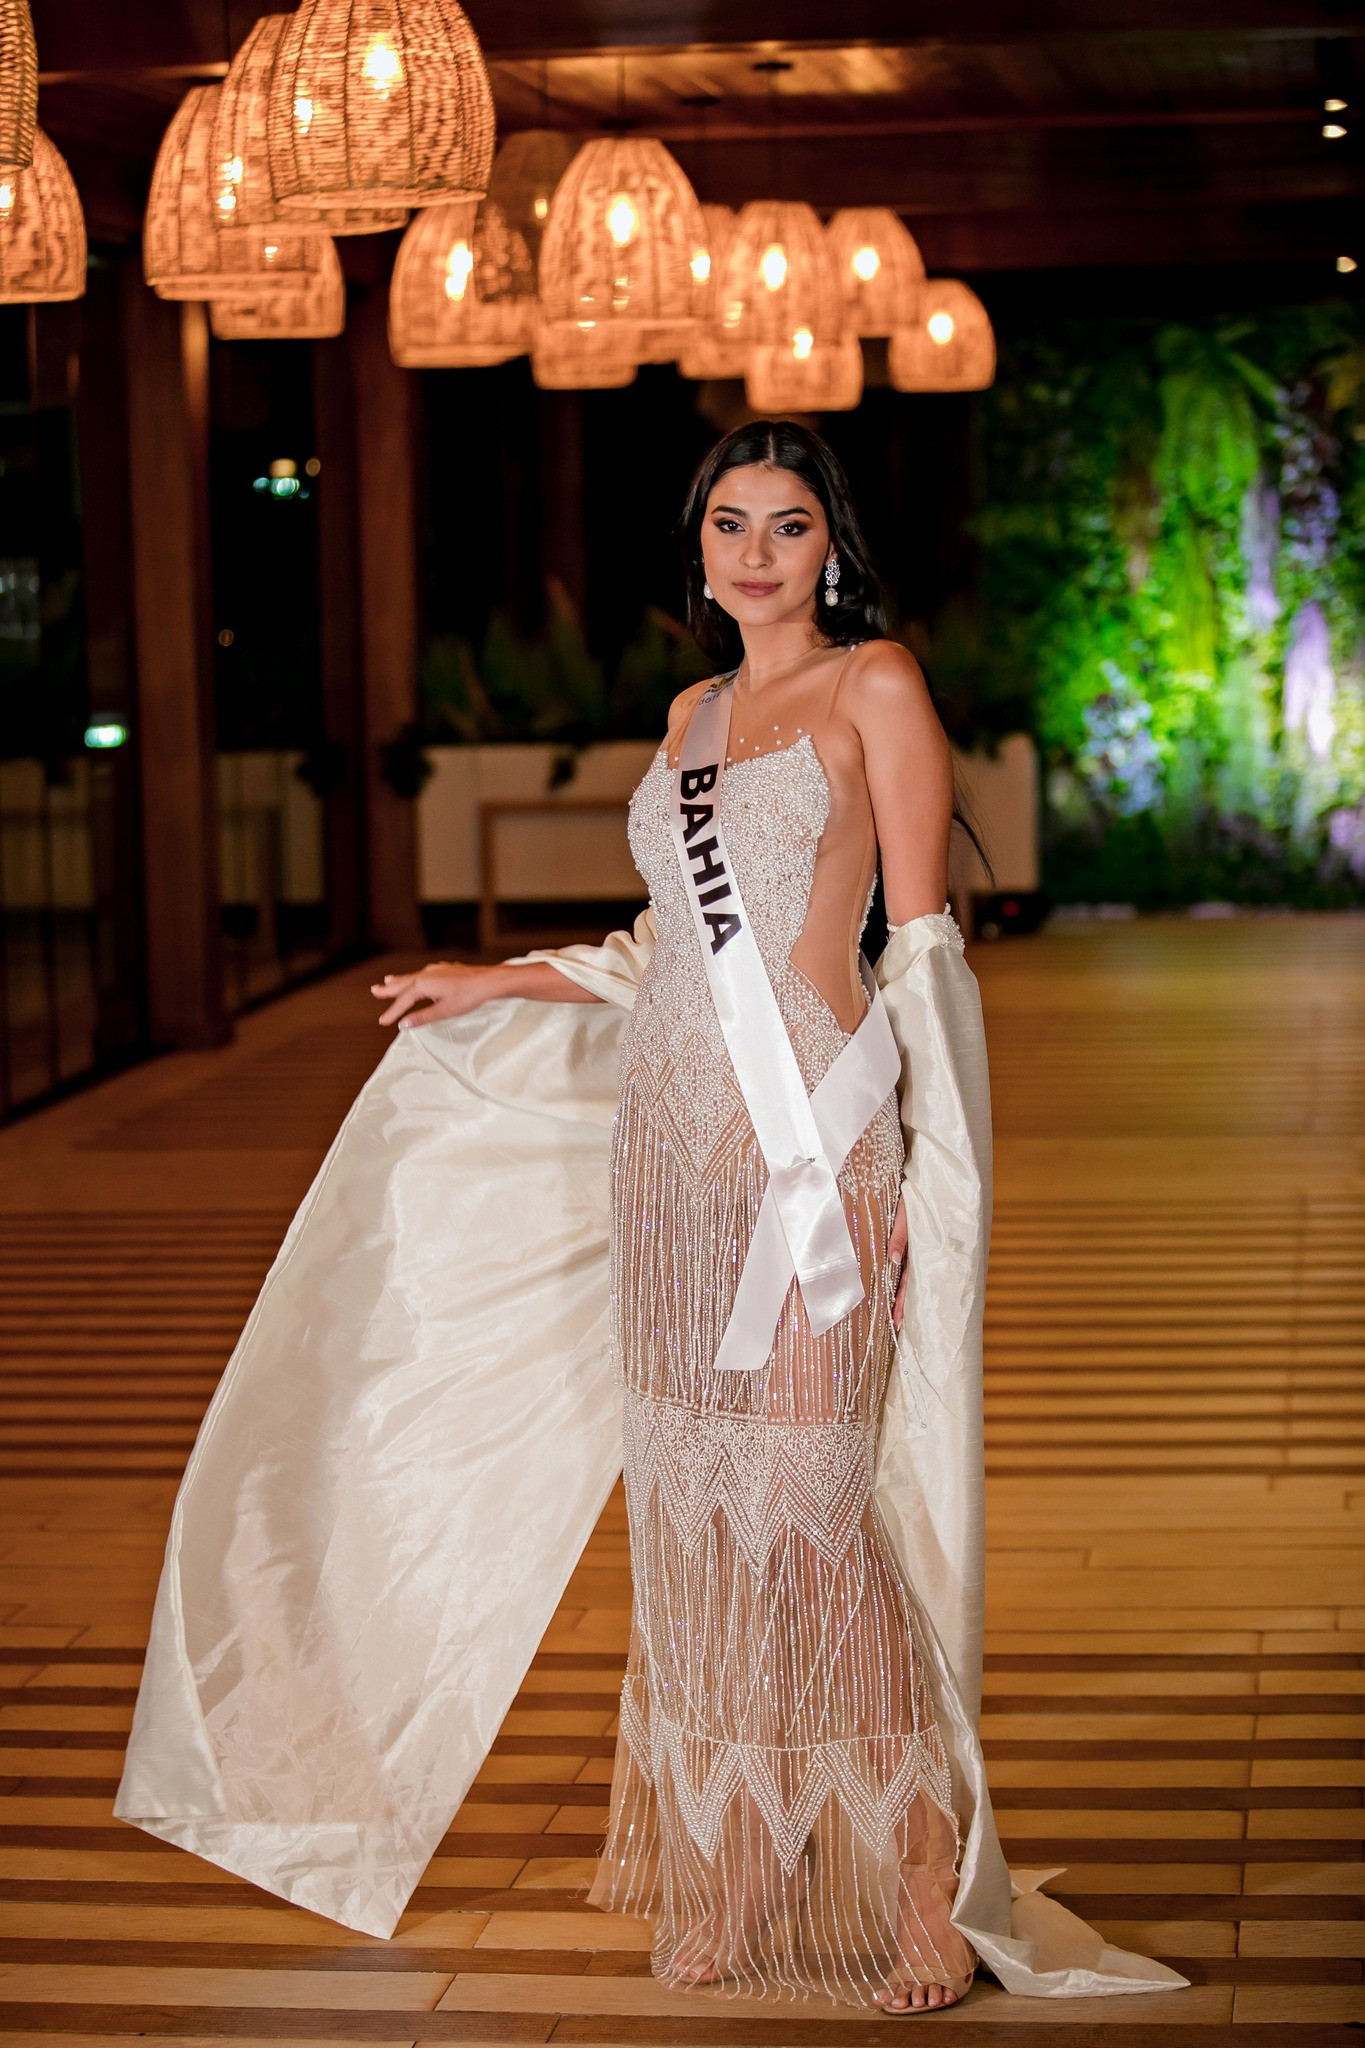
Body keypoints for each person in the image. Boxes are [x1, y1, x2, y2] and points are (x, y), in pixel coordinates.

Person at [117, 420, 1184, 2015]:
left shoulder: (873, 686)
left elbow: (927, 952)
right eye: (730, 525)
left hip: (805, 1163)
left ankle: (921, 1896)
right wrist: (500, 981)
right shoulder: (689, 714)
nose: (757, 553)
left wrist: (914, 1181)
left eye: (790, 526)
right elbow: (666, 948)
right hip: (666, 1178)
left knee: (823, 1535)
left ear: (834, 549)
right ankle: (742, 1862)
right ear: (698, 549)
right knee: (701, 1539)